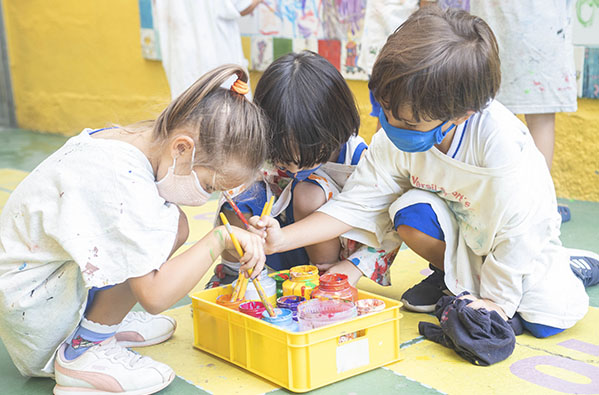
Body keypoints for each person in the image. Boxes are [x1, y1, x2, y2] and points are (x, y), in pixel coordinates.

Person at [252, 7, 599, 339]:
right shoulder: (397, 133)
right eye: (386, 111)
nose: (392, 127)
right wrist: (282, 239)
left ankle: (569, 267)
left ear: (461, 115)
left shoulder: (500, 146)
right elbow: (356, 204)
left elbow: (518, 234)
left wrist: (496, 303)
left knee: (545, 320)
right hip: (463, 233)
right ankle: (451, 277)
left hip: (519, 240)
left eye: (409, 123)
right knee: (409, 210)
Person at [0, 65, 268, 394]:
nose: (208, 197)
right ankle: (81, 353)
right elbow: (155, 297)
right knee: (157, 233)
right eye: (211, 185)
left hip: (42, 288)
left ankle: (100, 322)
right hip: (37, 313)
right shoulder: (122, 181)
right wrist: (220, 238)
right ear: (182, 148)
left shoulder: (134, 141)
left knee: (174, 223)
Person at [212, 51, 398, 288]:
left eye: (308, 156)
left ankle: (322, 279)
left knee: (309, 192)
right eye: (283, 158)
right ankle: (232, 273)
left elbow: (389, 224)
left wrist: (353, 267)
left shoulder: (359, 159)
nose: (294, 167)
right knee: (238, 193)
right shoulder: (266, 140)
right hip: (273, 244)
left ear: (334, 127)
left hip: (326, 247)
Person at [469, 1, 578, 222]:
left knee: (487, 118)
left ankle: (488, 203)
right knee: (541, 119)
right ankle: (539, 207)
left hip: (492, 31)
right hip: (542, 30)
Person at [156, 0, 263, 99]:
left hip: (182, 63)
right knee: (227, 113)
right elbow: (243, 5)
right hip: (219, 65)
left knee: (187, 112)